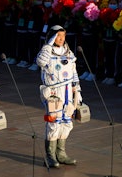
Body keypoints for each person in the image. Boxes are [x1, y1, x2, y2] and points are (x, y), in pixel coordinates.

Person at [36, 25, 81, 168]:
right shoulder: (46, 52)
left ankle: (60, 153)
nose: (61, 39)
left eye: (63, 36)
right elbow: (40, 62)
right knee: (54, 123)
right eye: (57, 36)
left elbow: (74, 72)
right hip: (53, 92)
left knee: (66, 122)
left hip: (67, 90)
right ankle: (50, 156)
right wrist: (49, 45)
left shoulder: (68, 52)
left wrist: (77, 91)